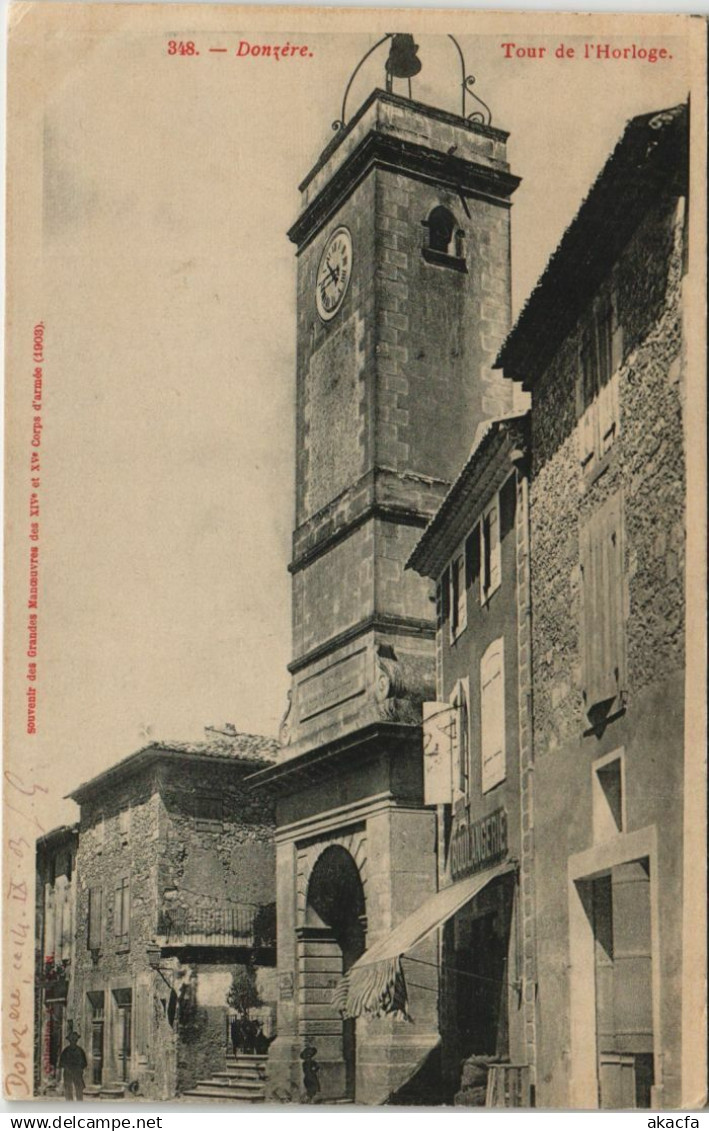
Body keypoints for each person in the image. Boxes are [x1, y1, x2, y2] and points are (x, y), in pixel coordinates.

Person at [58, 1031, 87, 1102]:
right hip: (68, 1073)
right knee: (68, 1090)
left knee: (79, 1090)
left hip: (77, 1073)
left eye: (75, 1040)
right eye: (72, 1040)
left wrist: (79, 1069)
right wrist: (67, 1068)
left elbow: (84, 1063)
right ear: (69, 1041)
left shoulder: (80, 1051)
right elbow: (61, 1063)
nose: (73, 1042)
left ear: (76, 1041)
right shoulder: (66, 1051)